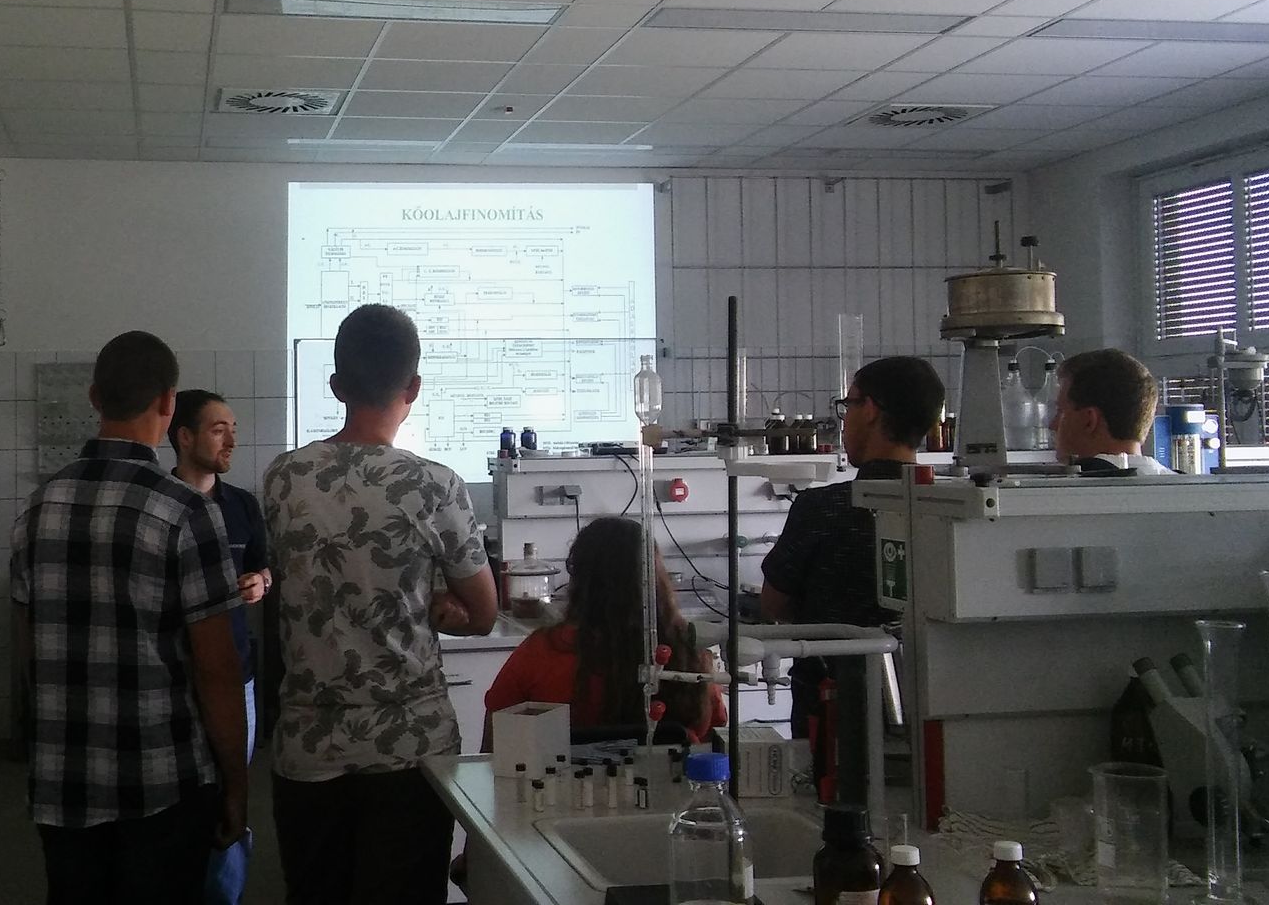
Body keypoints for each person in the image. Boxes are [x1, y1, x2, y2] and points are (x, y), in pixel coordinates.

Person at [261, 303, 499, 905]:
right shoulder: (435, 483)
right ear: (412, 387)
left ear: (336, 385)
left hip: (309, 741)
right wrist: (437, 603)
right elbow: (484, 614)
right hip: (408, 745)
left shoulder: (283, 478)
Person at [8, 331, 248, 905]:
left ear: (95, 397)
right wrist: (237, 785)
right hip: (163, 780)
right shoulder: (187, 511)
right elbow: (217, 669)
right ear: (169, 403)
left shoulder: (38, 506)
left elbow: (27, 646)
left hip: (63, 778)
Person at [759, 355, 945, 738]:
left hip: (833, 712)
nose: (844, 421)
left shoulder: (823, 508)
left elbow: (774, 604)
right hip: (932, 703)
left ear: (871, 410)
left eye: (848, 406)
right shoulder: (947, 509)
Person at [483, 516, 727, 745]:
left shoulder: (540, 654)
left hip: (561, 778)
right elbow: (714, 742)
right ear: (656, 577)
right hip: (672, 777)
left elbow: (492, 747)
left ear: (579, 580)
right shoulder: (686, 654)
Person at [166, 389, 272, 905]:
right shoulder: (161, 504)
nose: (231, 440)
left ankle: (224, 892)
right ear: (184, 437)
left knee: (232, 783)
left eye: (233, 428)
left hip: (236, 670)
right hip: (174, 675)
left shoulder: (243, 505)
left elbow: (264, 567)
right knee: (181, 793)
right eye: (217, 429)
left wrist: (261, 582)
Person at [1051, 348, 1175, 476]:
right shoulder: (1178, 482)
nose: (1052, 425)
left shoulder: (1068, 486)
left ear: (1089, 421)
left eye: (1060, 412)